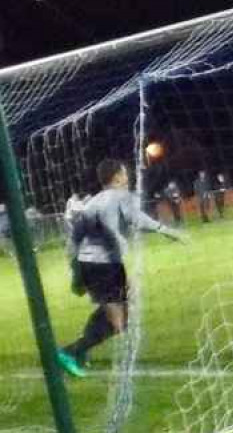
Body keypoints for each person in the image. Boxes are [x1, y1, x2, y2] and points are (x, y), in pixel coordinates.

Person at [57, 159, 186, 377]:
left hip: (94, 264)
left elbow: (75, 239)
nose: (127, 178)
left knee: (126, 305)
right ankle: (70, 352)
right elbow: (139, 219)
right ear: (116, 177)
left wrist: (76, 272)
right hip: (103, 265)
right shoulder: (120, 196)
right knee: (119, 322)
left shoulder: (93, 202)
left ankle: (80, 349)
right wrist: (167, 230)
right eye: (125, 174)